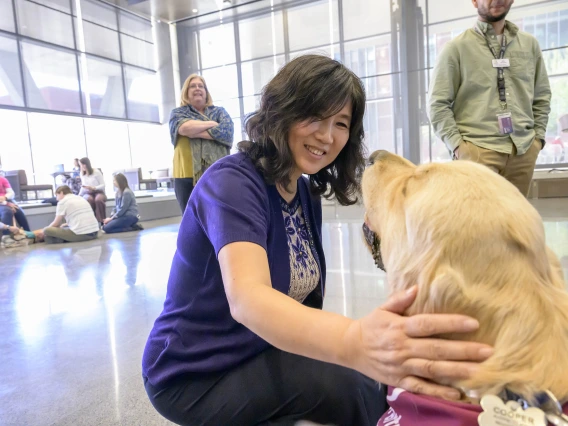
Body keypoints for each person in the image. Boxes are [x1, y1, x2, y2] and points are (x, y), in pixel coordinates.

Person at [142, 55, 492, 426]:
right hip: (194, 373)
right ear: (282, 111)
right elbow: (248, 298)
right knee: (341, 384)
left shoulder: (305, 192)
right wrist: (355, 341)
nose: (327, 136)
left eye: (340, 124)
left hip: (261, 350)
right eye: (314, 116)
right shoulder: (232, 182)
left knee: (366, 381)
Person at [428, 0, 551, 197]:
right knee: (475, 224)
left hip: (523, 151)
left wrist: (537, 141)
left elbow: (542, 96)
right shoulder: (456, 48)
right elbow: (437, 104)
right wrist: (459, 148)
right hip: (477, 153)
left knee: (514, 223)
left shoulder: (530, 45)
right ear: (474, 1)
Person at [170, 74, 234, 213]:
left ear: (206, 92)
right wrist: (212, 125)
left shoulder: (219, 112)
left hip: (216, 173)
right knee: (190, 219)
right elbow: (183, 128)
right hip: (185, 174)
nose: (197, 89)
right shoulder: (177, 113)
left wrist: (194, 131)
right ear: (186, 92)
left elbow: (227, 133)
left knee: (217, 216)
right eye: (192, 86)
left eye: (201, 86)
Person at [78, 157, 107, 224]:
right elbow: (83, 187)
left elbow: (103, 185)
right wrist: (78, 196)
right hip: (88, 192)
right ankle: (91, 222)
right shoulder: (82, 174)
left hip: (98, 191)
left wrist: (94, 188)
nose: (82, 167)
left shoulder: (96, 172)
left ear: (87, 164)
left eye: (83, 165)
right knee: (89, 199)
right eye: (81, 165)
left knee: (98, 199)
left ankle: (101, 221)